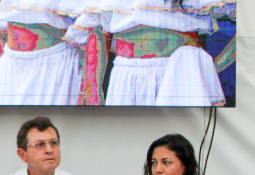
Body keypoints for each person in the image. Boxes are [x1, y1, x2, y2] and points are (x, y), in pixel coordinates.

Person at [67, 0, 236, 106]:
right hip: (125, 76)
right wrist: (93, 92)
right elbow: (96, 31)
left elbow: (252, 21)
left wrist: (214, 66)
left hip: (179, 73)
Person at [0, 0, 86, 105]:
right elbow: (2, 33)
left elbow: (89, 31)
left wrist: (87, 88)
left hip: (54, 69)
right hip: (9, 68)